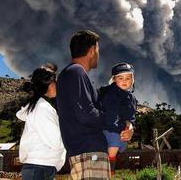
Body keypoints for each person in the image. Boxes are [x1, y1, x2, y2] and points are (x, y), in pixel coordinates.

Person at [56, 30, 134, 180]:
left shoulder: (72, 74)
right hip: (89, 152)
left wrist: (127, 125)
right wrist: (118, 125)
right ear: (91, 51)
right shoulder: (76, 72)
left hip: (86, 151)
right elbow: (87, 114)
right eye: (98, 49)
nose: (98, 54)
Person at [16, 63, 66, 180]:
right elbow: (55, 141)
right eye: (55, 82)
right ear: (49, 84)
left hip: (41, 166)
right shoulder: (42, 109)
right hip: (40, 167)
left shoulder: (41, 107)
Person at [99, 62, 137, 176]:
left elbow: (131, 117)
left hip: (120, 129)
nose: (125, 81)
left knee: (117, 141)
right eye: (120, 78)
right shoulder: (110, 94)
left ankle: (111, 162)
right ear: (114, 79)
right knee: (114, 140)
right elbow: (111, 117)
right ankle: (110, 165)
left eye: (128, 78)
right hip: (109, 128)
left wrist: (130, 126)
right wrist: (122, 129)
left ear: (132, 80)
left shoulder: (131, 98)